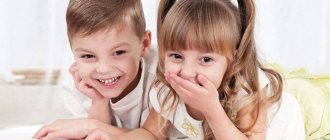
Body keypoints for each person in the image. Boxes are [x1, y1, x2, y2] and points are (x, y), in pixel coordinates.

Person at [84, 0, 305, 139]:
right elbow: (150, 134)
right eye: (176, 56)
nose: (187, 72)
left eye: (206, 59)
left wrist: (212, 109)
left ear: (232, 59)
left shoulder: (245, 92)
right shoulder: (168, 90)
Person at [33, 0, 157, 139]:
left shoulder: (161, 75)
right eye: (88, 56)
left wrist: (91, 125)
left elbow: (156, 136)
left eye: (119, 52)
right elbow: (98, 136)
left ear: (144, 44)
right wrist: (99, 102)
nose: (104, 69)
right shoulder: (78, 83)